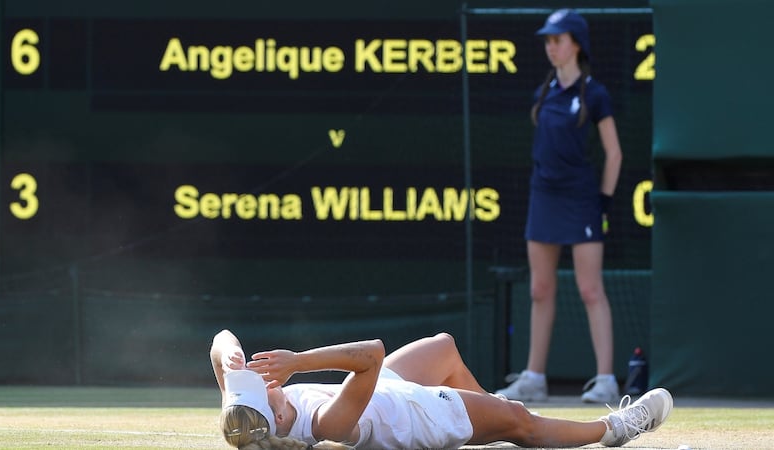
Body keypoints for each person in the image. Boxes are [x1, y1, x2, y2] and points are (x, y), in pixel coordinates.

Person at [210, 329, 672, 449]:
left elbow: (221, 341)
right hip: (421, 418)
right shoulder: (323, 424)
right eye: (258, 386)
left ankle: (489, 419)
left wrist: (229, 355)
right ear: (278, 415)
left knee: (443, 349)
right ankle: (615, 428)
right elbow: (372, 354)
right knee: (521, 423)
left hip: (386, 394)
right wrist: (301, 362)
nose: (259, 378)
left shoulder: (251, 419)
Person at [496, 8, 624, 404]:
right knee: (540, 288)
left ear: (576, 45)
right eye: (548, 41)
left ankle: (606, 380)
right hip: (543, 197)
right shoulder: (544, 92)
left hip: (581, 201)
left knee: (589, 289)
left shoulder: (595, 94)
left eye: (558, 39)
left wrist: (602, 203)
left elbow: (614, 154)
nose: (551, 47)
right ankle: (534, 378)